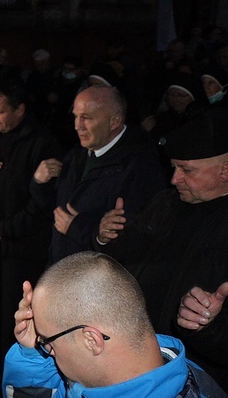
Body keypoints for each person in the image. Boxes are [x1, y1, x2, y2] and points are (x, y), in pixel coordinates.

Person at [95, 108, 228, 389]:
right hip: (131, 363)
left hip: (191, 378)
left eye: (186, 170)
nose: (174, 179)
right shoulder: (164, 203)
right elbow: (120, 261)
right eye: (174, 167)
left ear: (225, 170)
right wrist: (104, 239)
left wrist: (208, 326)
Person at [2, 251, 226, 397]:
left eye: (48, 343)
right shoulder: (181, 370)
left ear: (91, 340)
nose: (47, 353)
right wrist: (31, 354)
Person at [0, 78, 64, 381]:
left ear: (20, 110)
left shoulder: (43, 142)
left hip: (18, 246)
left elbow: (43, 201)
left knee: (10, 311)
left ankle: (11, 370)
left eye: (0, 111)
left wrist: (10, 227)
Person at [31, 85, 164, 264]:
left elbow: (135, 240)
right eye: (76, 116)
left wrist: (80, 229)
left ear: (114, 122)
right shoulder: (77, 154)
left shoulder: (140, 168)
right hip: (62, 271)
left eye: (86, 118)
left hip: (96, 281)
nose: (77, 126)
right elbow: (56, 213)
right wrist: (39, 184)